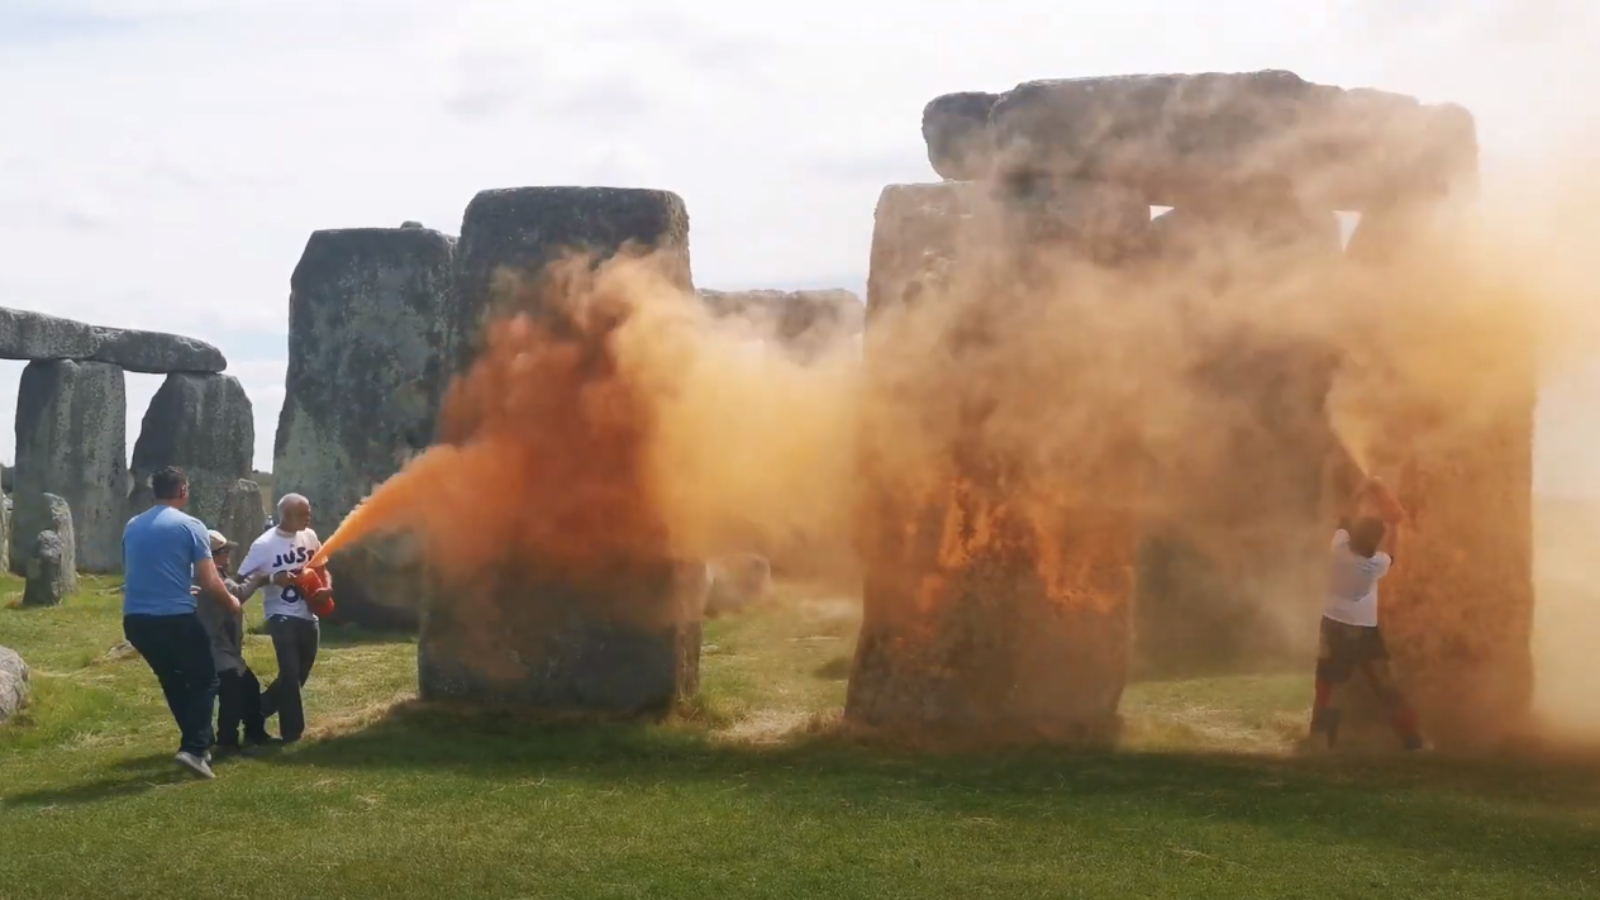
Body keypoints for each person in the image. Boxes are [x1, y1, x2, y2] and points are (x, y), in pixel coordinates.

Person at [122, 466, 241, 780]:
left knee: (174, 681)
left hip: (135, 619)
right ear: (184, 490)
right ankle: (195, 749)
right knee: (205, 679)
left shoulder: (133, 525)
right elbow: (210, 579)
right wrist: (232, 602)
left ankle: (198, 744)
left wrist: (179, 587)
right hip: (173, 617)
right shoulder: (191, 525)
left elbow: (144, 570)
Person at [1309, 475, 1425, 752]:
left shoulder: (1338, 550)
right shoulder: (1374, 565)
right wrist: (1394, 524)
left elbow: (1344, 518)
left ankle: (1322, 742)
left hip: (1332, 628)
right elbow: (1392, 552)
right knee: (1386, 688)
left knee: (1327, 689)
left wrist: (1360, 492)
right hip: (1364, 633)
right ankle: (1412, 741)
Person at [238, 493, 332, 743]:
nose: (309, 517)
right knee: (290, 673)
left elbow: (322, 567)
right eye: (304, 513)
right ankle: (292, 733)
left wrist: (326, 587)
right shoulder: (264, 545)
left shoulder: (309, 536)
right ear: (287, 515)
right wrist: (272, 579)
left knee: (298, 675)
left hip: (309, 614)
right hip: (280, 614)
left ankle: (254, 712)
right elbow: (240, 580)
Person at [194, 530, 271, 753]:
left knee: (248, 686)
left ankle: (254, 733)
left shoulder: (202, 574)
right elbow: (237, 594)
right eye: (223, 551)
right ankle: (228, 740)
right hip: (217, 646)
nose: (228, 555)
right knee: (232, 689)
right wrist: (258, 578)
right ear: (211, 555)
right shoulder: (212, 578)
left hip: (216, 645)